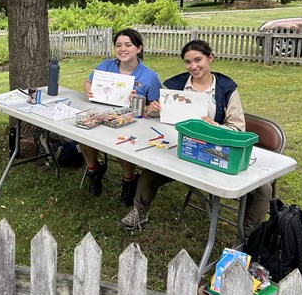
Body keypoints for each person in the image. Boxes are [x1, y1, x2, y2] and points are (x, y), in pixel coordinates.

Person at [119, 39, 271, 238]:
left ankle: (249, 237)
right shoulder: (177, 85)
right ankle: (140, 212)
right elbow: (164, 117)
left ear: (210, 58)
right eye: (188, 62)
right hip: (184, 147)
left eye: (198, 60)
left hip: (218, 150)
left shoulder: (226, 89)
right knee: (150, 173)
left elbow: (238, 129)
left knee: (262, 189)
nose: (193, 66)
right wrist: (153, 109)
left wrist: (215, 127)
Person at [81, 28, 161, 206]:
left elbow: (155, 108)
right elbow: (88, 82)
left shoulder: (150, 77)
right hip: (100, 113)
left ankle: (128, 181)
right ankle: (94, 170)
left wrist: (140, 103)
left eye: (128, 45)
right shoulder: (106, 66)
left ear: (139, 48)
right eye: (118, 45)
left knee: (122, 145)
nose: (122, 49)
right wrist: (89, 90)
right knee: (83, 133)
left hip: (130, 124)